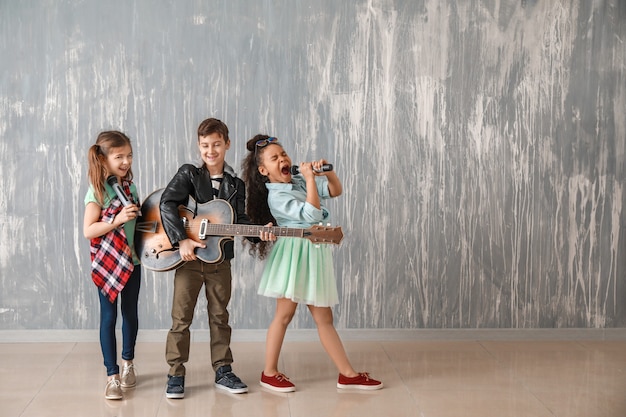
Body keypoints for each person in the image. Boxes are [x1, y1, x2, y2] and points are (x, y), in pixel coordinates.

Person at [241, 134, 383, 392]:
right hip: (294, 254)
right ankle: (269, 372)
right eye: (275, 158)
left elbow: (335, 191)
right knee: (283, 316)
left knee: (324, 317)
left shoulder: (295, 180)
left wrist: (327, 174)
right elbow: (312, 214)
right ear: (264, 170)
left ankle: (347, 374)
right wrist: (309, 179)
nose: (283, 159)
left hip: (313, 253)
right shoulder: (277, 196)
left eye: (283, 154)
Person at [160, 118, 268, 398]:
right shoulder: (189, 174)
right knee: (181, 319)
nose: (211, 150)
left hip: (220, 262)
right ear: (199, 145)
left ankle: (223, 370)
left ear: (227, 145)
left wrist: (261, 233)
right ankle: (175, 373)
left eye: (217, 144)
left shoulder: (236, 184)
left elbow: (240, 221)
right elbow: (167, 203)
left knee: (220, 316)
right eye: (205, 145)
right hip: (189, 260)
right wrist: (180, 239)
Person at [83, 131, 142, 400]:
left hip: (132, 261)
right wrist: (117, 219)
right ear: (103, 159)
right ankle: (112, 376)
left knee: (130, 314)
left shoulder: (130, 188)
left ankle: (128, 362)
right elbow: (89, 230)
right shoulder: (96, 191)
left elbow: (139, 226)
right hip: (107, 264)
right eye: (119, 156)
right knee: (109, 318)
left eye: (129, 155)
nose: (126, 161)